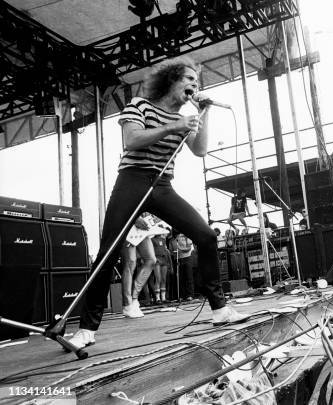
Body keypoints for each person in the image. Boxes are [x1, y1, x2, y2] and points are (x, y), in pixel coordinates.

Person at [69, 56, 248, 350]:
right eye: (189, 79)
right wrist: (173, 126)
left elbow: (200, 150)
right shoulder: (140, 105)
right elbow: (132, 140)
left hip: (163, 186)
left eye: (197, 82)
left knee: (205, 235)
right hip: (132, 180)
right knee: (109, 250)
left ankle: (219, 310)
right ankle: (87, 328)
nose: (194, 84)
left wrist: (204, 114)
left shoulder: (187, 118)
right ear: (172, 80)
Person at [120, 214, 157, 318]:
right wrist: (134, 218)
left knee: (151, 260)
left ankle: (134, 298)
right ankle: (127, 305)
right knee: (130, 263)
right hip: (128, 225)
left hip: (143, 227)